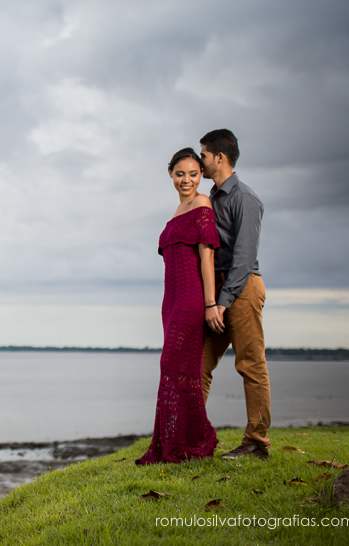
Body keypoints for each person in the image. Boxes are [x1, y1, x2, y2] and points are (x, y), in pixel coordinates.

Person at [136, 148, 220, 464]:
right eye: (180, 173)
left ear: (201, 176)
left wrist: (210, 303)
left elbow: (207, 256)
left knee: (172, 365)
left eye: (193, 174)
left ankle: (191, 440)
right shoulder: (176, 211)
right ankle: (176, 441)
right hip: (169, 300)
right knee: (177, 368)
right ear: (170, 174)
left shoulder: (202, 203)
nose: (187, 180)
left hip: (190, 298)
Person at [199, 129, 270, 460]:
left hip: (242, 289)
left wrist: (222, 303)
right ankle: (191, 437)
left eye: (203, 155)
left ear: (219, 157)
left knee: (250, 365)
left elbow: (243, 259)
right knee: (198, 365)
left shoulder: (245, 198)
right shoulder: (210, 198)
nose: (200, 161)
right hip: (217, 294)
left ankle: (257, 442)